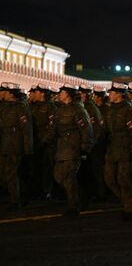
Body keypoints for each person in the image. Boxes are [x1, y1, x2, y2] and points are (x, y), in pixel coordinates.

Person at [46, 84, 93, 217]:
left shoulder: (78, 110)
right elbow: (54, 129)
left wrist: (85, 148)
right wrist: (45, 141)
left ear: (67, 94)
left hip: (73, 148)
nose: (59, 94)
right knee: (58, 176)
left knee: (70, 178)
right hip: (62, 149)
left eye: (62, 92)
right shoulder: (60, 110)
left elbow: (86, 130)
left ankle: (74, 206)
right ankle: (82, 196)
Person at [104, 83, 132, 220]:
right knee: (109, 178)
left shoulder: (128, 110)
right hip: (112, 149)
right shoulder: (110, 110)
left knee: (123, 179)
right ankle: (128, 200)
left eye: (112, 93)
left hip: (125, 149)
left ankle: (129, 208)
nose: (109, 95)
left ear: (119, 94)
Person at [0, 82, 33, 211]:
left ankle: (16, 201)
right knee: (4, 173)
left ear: (10, 94)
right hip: (4, 143)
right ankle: (17, 195)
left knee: (11, 173)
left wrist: (28, 147)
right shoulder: (4, 106)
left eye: (4, 91)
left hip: (15, 144)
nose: (2, 93)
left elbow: (26, 129)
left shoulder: (21, 108)